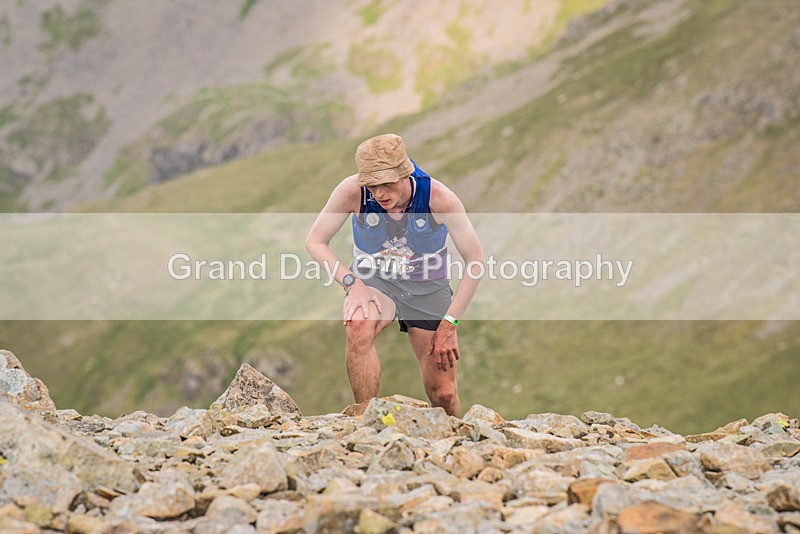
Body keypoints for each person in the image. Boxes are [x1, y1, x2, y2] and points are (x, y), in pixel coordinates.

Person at [305, 133, 484, 417]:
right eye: (372, 186)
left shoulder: (439, 198)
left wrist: (450, 323)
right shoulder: (351, 191)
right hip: (377, 283)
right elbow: (315, 242)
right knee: (359, 325)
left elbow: (475, 259)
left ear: (404, 173)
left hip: (427, 286)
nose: (379, 194)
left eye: (387, 183)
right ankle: (365, 422)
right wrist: (354, 286)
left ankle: (453, 446)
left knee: (444, 393)